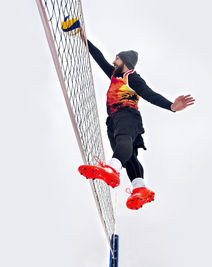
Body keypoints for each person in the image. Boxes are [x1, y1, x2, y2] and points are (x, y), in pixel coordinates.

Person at [78, 28, 195, 210]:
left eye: (117, 58)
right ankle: (139, 188)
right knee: (128, 155)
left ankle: (112, 169)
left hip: (128, 115)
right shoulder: (114, 75)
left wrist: (171, 106)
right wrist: (83, 38)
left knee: (123, 143)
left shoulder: (131, 77)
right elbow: (99, 57)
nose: (113, 61)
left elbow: (149, 94)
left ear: (125, 61)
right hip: (113, 119)